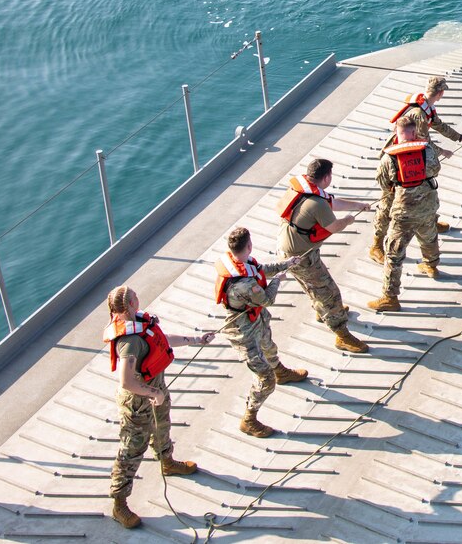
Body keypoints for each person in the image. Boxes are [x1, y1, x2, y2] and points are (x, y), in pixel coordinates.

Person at [103, 285, 214, 528]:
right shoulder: (129, 342)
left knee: (162, 427)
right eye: (134, 297)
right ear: (130, 305)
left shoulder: (141, 323)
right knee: (132, 449)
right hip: (138, 402)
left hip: (155, 392)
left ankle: (167, 461)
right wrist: (153, 393)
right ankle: (119, 503)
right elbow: (126, 380)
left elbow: (162, 340)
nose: (137, 298)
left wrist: (196, 340)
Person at [370, 76, 462, 263]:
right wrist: (443, 151)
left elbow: (438, 125)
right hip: (398, 160)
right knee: (387, 205)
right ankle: (376, 245)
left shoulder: (426, 105)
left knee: (426, 192)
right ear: (441, 93)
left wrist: (459, 138)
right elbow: (424, 142)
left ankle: (430, 222)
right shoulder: (419, 113)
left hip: (414, 156)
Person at [215, 227, 304, 438]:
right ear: (249, 245)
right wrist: (278, 280)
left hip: (256, 320)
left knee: (269, 346)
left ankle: (280, 371)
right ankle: (249, 418)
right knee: (265, 378)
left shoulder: (240, 263)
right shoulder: (245, 285)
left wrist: (287, 263)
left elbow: (261, 269)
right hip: (243, 332)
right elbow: (267, 299)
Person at [277, 158, 370, 353]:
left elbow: (332, 203)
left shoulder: (304, 190)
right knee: (330, 293)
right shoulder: (317, 203)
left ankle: (323, 311)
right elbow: (334, 226)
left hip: (288, 248)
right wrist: (348, 220)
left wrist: (359, 205)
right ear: (326, 177)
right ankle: (342, 334)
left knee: (312, 285)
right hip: (302, 256)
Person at [367, 116, 442, 312]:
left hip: (404, 213)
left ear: (396, 134)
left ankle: (390, 297)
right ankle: (431, 265)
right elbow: (436, 169)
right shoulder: (427, 150)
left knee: (394, 254)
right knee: (429, 236)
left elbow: (383, 183)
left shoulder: (389, 158)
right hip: (428, 206)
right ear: (414, 132)